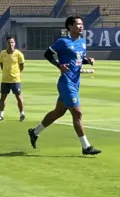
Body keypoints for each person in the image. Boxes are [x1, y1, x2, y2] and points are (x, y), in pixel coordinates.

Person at [28, 16, 100, 155]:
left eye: (82, 24)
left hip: (75, 82)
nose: (81, 27)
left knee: (58, 112)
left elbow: (78, 59)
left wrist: (87, 60)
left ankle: (35, 132)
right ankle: (86, 147)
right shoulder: (63, 41)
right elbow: (47, 54)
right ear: (70, 27)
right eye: (78, 24)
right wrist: (58, 65)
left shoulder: (83, 42)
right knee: (77, 113)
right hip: (66, 82)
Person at [0, 34, 27, 122]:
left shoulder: (18, 54)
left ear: (15, 43)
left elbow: (22, 66)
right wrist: (6, 72)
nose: (11, 44)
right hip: (5, 79)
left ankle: (22, 114)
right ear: (6, 44)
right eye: (9, 42)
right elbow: (1, 64)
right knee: (3, 97)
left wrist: (16, 73)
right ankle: (1, 114)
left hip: (15, 80)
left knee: (19, 97)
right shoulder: (2, 53)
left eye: (12, 42)